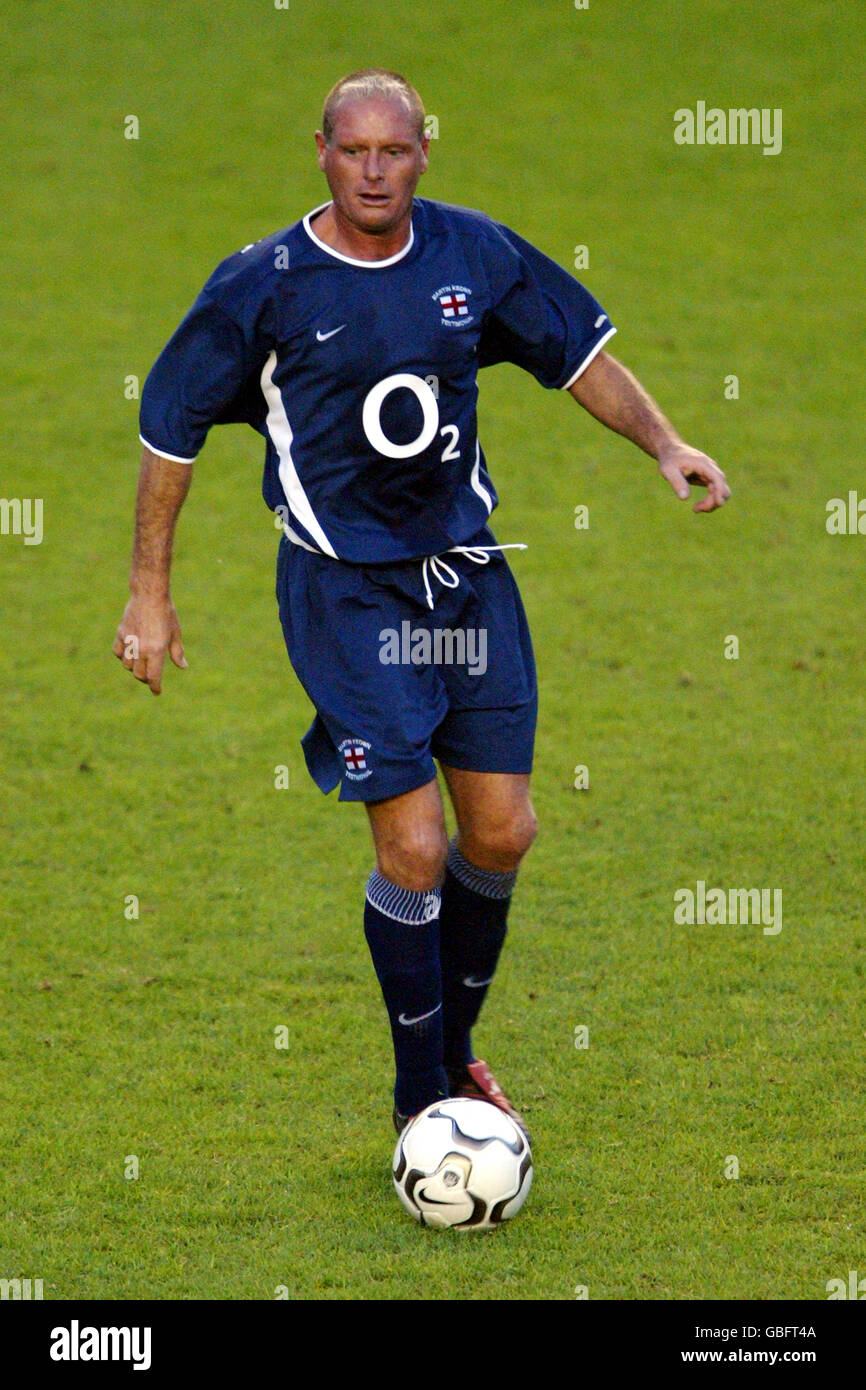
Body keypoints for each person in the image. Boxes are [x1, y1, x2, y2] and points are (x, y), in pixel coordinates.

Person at [113, 69, 730, 1140]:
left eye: (390, 151)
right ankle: (420, 1102)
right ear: (318, 152)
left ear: (421, 153)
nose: (371, 170)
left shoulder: (470, 252)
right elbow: (169, 430)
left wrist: (664, 442)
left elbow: (576, 355)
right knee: (410, 849)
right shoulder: (261, 284)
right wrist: (148, 593)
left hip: (467, 575)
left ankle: (454, 1056)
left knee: (499, 832)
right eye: (351, 151)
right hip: (344, 591)